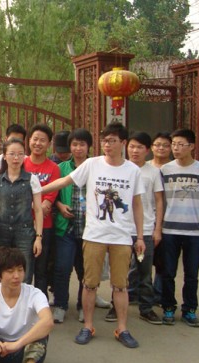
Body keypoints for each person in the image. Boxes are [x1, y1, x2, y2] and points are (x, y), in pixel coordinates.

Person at [42, 122, 145, 348]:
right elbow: (65, 181)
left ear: (123, 143)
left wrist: (139, 237)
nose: (107, 145)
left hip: (121, 237)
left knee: (120, 285)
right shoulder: (92, 164)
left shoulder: (133, 170)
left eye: (112, 141)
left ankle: (122, 328)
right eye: (104, 140)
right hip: (94, 235)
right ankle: (87, 326)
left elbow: (137, 204)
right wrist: (39, 189)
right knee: (89, 284)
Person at [103, 132, 162, 325]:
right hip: (122, 230)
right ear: (126, 146)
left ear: (147, 150)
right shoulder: (120, 169)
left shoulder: (153, 172)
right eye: (132, 147)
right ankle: (115, 306)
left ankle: (146, 308)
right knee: (120, 273)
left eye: (140, 147)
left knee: (145, 272)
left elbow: (158, 201)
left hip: (145, 230)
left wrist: (157, 229)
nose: (135, 151)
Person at [160, 128, 199, 327]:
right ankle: (168, 307)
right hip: (170, 229)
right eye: (174, 144)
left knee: (192, 274)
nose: (176, 148)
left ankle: (189, 309)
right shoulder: (165, 170)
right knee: (168, 272)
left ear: (192, 146)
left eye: (181, 144)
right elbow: (160, 200)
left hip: (195, 231)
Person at [52, 128, 93, 323]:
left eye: (82, 144)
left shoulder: (96, 167)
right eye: (74, 144)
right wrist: (60, 205)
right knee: (62, 268)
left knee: (86, 271)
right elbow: (53, 194)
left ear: (88, 146)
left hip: (89, 229)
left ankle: (83, 306)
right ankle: (60, 305)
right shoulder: (61, 168)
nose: (78, 148)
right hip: (66, 227)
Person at [0, 138, 43, 284]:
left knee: (24, 273)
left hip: (25, 232)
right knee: (1, 271)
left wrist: (38, 237)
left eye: (20, 154)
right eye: (12, 154)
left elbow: (38, 210)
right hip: (2, 232)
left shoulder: (32, 179)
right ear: (4, 156)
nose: (16, 158)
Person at [23, 124, 61, 296]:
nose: (38, 143)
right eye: (35, 139)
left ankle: (40, 303)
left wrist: (32, 204)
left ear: (49, 144)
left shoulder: (53, 168)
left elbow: (46, 204)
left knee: (41, 268)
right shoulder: (21, 164)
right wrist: (33, 205)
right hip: (22, 225)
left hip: (44, 226)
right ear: (29, 141)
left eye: (43, 140)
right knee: (23, 267)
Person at [149, 131, 172, 306]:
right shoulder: (144, 167)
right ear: (151, 147)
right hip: (146, 218)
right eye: (157, 145)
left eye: (165, 145)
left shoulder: (174, 168)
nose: (161, 148)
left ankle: (158, 294)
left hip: (169, 220)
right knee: (141, 260)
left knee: (163, 261)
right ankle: (139, 292)